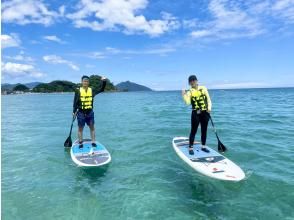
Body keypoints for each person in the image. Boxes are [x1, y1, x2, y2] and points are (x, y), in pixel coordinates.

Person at [73, 75, 107, 148]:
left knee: (92, 127)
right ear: (82, 82)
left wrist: (104, 82)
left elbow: (101, 89)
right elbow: (75, 102)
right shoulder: (78, 91)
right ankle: (80, 142)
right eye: (84, 81)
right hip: (80, 112)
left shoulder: (92, 90)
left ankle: (93, 142)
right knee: (80, 128)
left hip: (90, 112)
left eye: (87, 81)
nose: (86, 82)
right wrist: (74, 111)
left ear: (88, 82)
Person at [182, 75, 212, 155]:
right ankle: (191, 147)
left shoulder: (203, 88)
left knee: (204, 130)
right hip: (195, 113)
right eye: (191, 81)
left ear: (197, 80)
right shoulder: (189, 92)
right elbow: (188, 103)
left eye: (194, 80)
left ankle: (203, 146)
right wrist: (184, 95)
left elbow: (208, 99)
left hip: (205, 112)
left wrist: (209, 108)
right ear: (189, 83)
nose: (192, 82)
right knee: (193, 130)